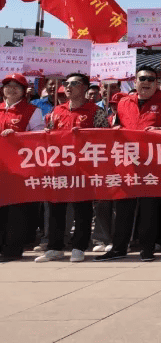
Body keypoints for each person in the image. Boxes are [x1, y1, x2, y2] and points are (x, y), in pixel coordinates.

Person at [96, 65, 161, 263]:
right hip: (127, 163)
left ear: (157, 83)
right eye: (142, 78)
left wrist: (159, 131)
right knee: (123, 208)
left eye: (151, 79)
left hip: (152, 164)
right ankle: (118, 248)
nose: (146, 82)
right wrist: (116, 131)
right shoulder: (123, 103)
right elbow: (116, 127)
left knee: (149, 209)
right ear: (135, 82)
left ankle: (147, 249)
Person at [37, 73, 109, 263]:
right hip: (59, 166)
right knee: (56, 207)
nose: (68, 87)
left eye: (74, 83)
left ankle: (79, 247)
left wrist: (86, 135)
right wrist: (47, 133)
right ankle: (55, 247)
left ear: (85, 87)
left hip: (84, 168)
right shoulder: (57, 110)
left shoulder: (95, 111)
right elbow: (49, 134)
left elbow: (105, 137)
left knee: (82, 208)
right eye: (66, 83)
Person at [0, 73, 45, 261]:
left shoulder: (32, 111)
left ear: (24, 91)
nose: (11, 89)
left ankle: (12, 249)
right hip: (1, 168)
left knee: (16, 211)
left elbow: (39, 136)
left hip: (20, 169)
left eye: (16, 86)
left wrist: (17, 136)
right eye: (7, 85)